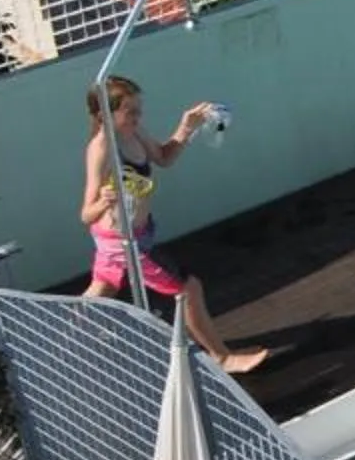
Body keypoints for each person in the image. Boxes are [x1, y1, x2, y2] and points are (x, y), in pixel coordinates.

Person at [81, 76, 265, 374]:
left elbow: (164, 158)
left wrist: (186, 127)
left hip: (135, 234)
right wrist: (104, 200)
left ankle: (64, 340)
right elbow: (86, 213)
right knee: (188, 288)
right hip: (125, 243)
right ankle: (222, 358)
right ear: (104, 114)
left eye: (139, 110)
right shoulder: (101, 149)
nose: (138, 117)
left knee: (103, 287)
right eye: (130, 112)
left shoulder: (133, 132)